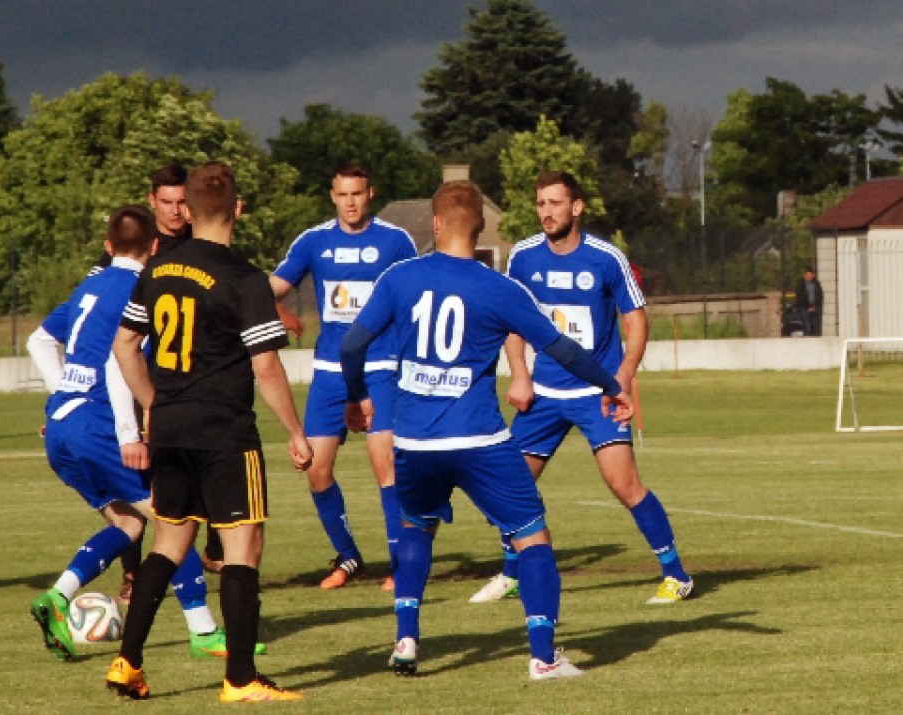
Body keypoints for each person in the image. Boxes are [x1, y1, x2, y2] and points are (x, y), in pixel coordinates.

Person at [339, 180, 633, 680]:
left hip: (414, 440)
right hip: (479, 440)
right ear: (478, 227)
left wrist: (355, 397)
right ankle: (543, 658)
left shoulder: (399, 277)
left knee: (415, 528)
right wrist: (612, 384)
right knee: (531, 536)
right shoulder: (500, 288)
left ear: (435, 224)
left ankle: (406, 639)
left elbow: (351, 346)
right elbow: (560, 348)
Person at [106, 161, 312, 702]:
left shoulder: (158, 268)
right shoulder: (244, 278)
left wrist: (154, 403)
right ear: (238, 208)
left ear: (189, 210)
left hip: (170, 428)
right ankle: (241, 679)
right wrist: (296, 431)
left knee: (170, 541)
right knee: (244, 545)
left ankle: (128, 662)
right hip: (223, 430)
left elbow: (124, 346)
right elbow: (266, 367)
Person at [467, 170, 693, 607]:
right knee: (512, 486)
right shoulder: (523, 257)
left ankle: (676, 574)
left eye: (555, 203)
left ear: (577, 207)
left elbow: (636, 321)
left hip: (596, 394)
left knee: (624, 484)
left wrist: (622, 377)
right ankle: (512, 574)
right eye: (541, 204)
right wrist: (520, 375)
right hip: (544, 395)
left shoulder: (606, 259)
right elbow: (512, 323)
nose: (547, 212)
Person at [27, 204, 227, 662]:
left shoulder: (90, 285)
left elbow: (38, 339)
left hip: (63, 425)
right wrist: (128, 434)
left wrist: (66, 396)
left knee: (129, 524)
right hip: (100, 426)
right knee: (175, 518)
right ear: (155, 246)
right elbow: (122, 363)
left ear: (108, 245)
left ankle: (58, 596)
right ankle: (203, 630)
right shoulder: (143, 290)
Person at [269, 161, 417, 590]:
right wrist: (266, 306)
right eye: (342, 194)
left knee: (383, 461)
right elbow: (272, 287)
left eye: (357, 194)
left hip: (381, 365)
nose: (350, 202)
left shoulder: (395, 241)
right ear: (332, 197)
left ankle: (400, 564)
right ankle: (349, 557)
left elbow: (417, 293)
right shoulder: (313, 241)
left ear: (370, 195)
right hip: (330, 371)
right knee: (316, 469)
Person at [794, 266, 823, 336]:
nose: (809, 277)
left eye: (810, 275)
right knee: (807, 327)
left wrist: (815, 306)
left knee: (815, 328)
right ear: (804, 275)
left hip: (814, 308)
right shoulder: (800, 284)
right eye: (807, 275)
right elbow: (799, 297)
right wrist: (808, 307)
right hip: (804, 308)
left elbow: (820, 296)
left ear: (813, 275)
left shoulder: (816, 284)